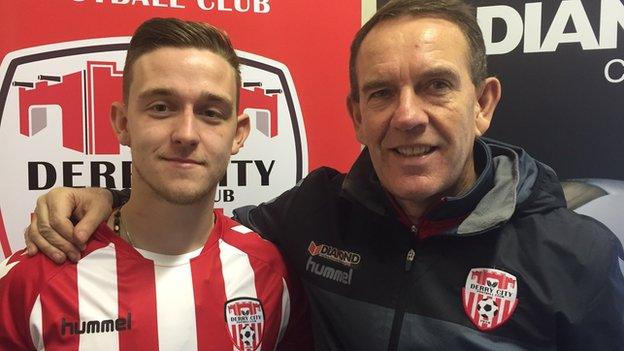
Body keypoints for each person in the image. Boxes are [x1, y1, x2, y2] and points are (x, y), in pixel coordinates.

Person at [23, 0, 624, 350]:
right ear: (357, 116)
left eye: (436, 86)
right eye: (382, 93)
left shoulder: (579, 257)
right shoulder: (312, 214)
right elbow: (189, 211)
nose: (408, 116)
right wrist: (106, 195)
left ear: (484, 102)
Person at [0, 18, 311, 350]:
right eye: (161, 108)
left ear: (238, 134)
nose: (187, 134)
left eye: (211, 112)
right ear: (123, 123)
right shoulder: (33, 280)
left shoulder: (271, 274)